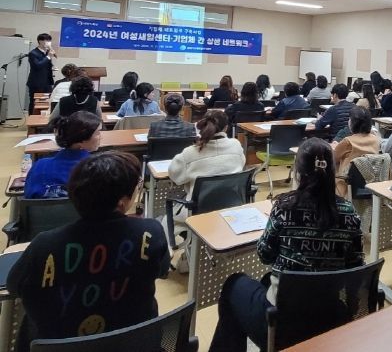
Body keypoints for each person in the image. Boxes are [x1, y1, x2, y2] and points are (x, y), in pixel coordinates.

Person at [208, 137, 364, 352]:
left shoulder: (285, 207)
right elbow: (356, 265)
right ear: (332, 171)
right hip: (329, 316)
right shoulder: (349, 212)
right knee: (264, 282)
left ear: (298, 172)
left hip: (281, 323)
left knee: (234, 285)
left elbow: (264, 255)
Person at [8, 151, 170, 349]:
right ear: (122, 202)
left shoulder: (45, 245)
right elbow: (162, 271)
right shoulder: (150, 232)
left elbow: (14, 287)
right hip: (136, 343)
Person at [168, 110, 245, 224]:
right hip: (232, 209)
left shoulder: (190, 152)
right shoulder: (236, 145)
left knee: (165, 220)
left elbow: (175, 177)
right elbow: (241, 164)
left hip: (197, 213)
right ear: (226, 128)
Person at [24, 111, 102, 199]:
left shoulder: (39, 165)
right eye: (98, 133)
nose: (101, 136)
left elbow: (27, 196)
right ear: (82, 139)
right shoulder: (98, 170)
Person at [333, 107, 380, 195]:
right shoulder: (376, 139)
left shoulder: (348, 142)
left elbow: (333, 158)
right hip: (370, 184)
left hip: (347, 186)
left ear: (352, 123)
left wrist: (335, 147)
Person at [26, 33, 56, 114]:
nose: (48, 42)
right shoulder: (33, 53)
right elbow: (37, 66)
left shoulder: (47, 52)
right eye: (46, 40)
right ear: (40, 41)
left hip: (47, 82)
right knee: (34, 102)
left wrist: (52, 67)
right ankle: (32, 119)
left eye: (49, 40)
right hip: (36, 82)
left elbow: (46, 64)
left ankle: (42, 119)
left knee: (45, 102)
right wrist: (48, 57)